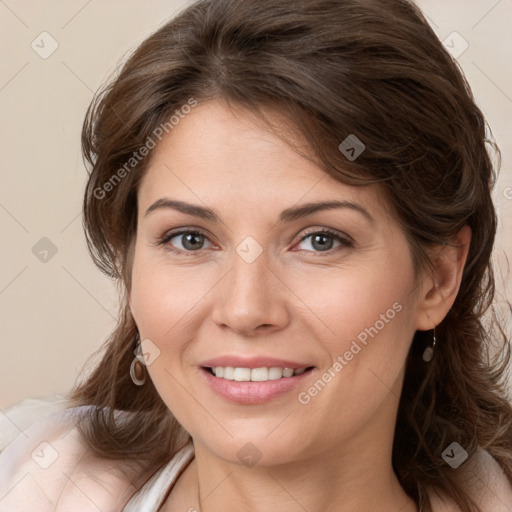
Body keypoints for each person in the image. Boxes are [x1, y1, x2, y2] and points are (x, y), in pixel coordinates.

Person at [1, 0, 512, 511]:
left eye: (320, 240)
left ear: (438, 279)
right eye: (190, 239)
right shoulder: (21, 475)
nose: (245, 310)